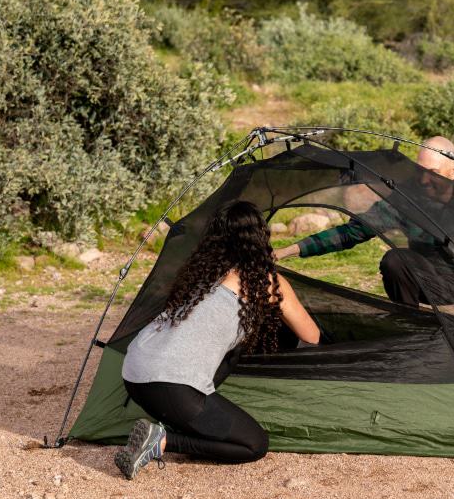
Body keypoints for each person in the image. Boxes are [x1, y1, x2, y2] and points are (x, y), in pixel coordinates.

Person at [114, 201, 320, 480]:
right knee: (254, 444)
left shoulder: (202, 274)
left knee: (235, 345)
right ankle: (163, 440)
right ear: (260, 237)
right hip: (171, 387)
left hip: (134, 376)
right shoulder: (266, 281)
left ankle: (186, 417)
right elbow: (311, 335)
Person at [274, 136, 454, 309]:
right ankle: (410, 323)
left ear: (453, 171)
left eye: (432, 172)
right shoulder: (408, 199)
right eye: (420, 172)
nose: (424, 180)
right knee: (395, 260)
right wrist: (286, 251)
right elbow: (352, 232)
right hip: (435, 281)